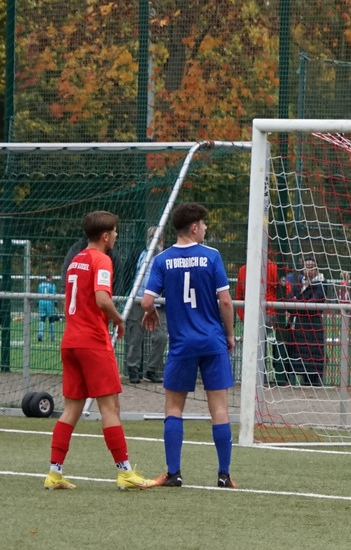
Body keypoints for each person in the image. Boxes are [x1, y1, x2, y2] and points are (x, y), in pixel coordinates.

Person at [43, 210, 152, 491]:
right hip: (92, 342)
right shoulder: (101, 259)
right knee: (110, 407)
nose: (116, 236)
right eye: (115, 232)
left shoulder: (75, 260)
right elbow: (102, 299)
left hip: (70, 341)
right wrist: (118, 319)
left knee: (71, 408)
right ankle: (125, 472)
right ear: (105, 236)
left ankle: (54, 472)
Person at [141, 203, 237, 489]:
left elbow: (146, 301)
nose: (205, 228)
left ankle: (174, 473)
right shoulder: (212, 256)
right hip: (212, 341)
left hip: (182, 344)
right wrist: (230, 335)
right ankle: (224, 475)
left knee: (174, 407)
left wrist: (151, 311)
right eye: (204, 224)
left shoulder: (162, 259)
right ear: (194, 227)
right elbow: (225, 301)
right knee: (219, 409)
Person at [235, 255, 290, 386]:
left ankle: (263, 374)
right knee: (258, 337)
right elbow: (239, 296)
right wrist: (244, 318)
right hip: (252, 314)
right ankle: (258, 374)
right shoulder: (243, 270)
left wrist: (277, 309)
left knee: (259, 335)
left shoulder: (272, 268)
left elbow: (286, 288)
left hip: (270, 313)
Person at [125, 227, 168, 384]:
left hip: (158, 303)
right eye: (151, 237)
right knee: (135, 336)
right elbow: (127, 273)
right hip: (138, 300)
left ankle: (152, 369)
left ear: (162, 240)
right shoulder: (139, 254)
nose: (154, 240)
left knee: (161, 336)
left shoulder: (166, 257)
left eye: (158, 237)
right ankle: (133, 368)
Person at [287, 257, 327, 386]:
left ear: (316, 269)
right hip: (298, 330)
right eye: (306, 267)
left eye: (311, 267)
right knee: (298, 363)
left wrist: (297, 301)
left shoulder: (321, 284)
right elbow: (288, 300)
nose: (308, 270)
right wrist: (299, 303)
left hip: (313, 330)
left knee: (313, 367)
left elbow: (313, 302)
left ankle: (314, 385)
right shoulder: (298, 283)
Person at [37, 274, 59, 342]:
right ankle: (52, 337)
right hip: (49, 302)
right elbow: (54, 295)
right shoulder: (52, 285)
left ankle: (40, 335)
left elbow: (38, 294)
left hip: (41, 302)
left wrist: (37, 303)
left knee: (42, 319)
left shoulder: (40, 284)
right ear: (50, 277)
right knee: (51, 320)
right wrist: (55, 304)